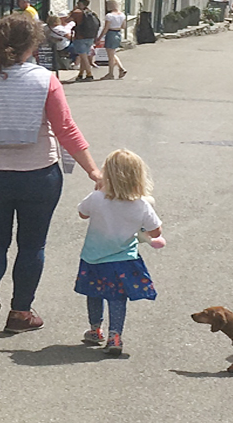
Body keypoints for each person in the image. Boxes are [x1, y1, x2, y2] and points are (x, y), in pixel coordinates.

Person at [0, 14, 103, 337]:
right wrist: (94, 170)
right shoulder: (44, 81)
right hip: (38, 174)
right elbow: (65, 129)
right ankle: (20, 312)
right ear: (34, 45)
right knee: (31, 244)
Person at [75, 149, 163, 356]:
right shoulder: (141, 204)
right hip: (123, 260)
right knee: (117, 298)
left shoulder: (96, 198)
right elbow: (155, 231)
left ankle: (96, 329)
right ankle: (115, 335)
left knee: (94, 293)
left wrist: (99, 189)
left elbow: (82, 213)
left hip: (94, 258)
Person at [96, 0, 129, 80]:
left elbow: (106, 28)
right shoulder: (122, 15)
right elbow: (123, 26)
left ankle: (111, 73)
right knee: (112, 53)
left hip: (111, 33)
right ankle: (121, 69)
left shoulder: (109, 16)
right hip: (118, 33)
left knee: (110, 56)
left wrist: (99, 38)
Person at [70, 0, 101, 82]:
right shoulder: (91, 12)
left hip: (80, 37)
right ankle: (80, 74)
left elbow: (67, 20)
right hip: (90, 37)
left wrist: (72, 11)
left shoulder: (77, 12)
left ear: (80, 4)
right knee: (84, 57)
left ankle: (89, 74)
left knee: (84, 57)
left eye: (78, 3)